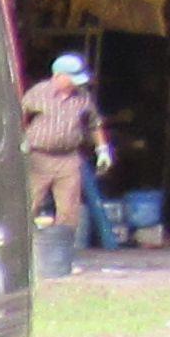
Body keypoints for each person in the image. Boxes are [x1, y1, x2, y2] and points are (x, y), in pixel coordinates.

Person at [22, 51, 111, 237]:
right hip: (38, 157)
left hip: (68, 159)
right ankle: (24, 250)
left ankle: (62, 254)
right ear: (58, 76)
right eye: (72, 79)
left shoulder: (83, 97)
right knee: (28, 204)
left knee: (69, 210)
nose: (75, 84)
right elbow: (19, 116)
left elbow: (95, 124)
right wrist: (20, 142)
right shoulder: (38, 93)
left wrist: (102, 150)